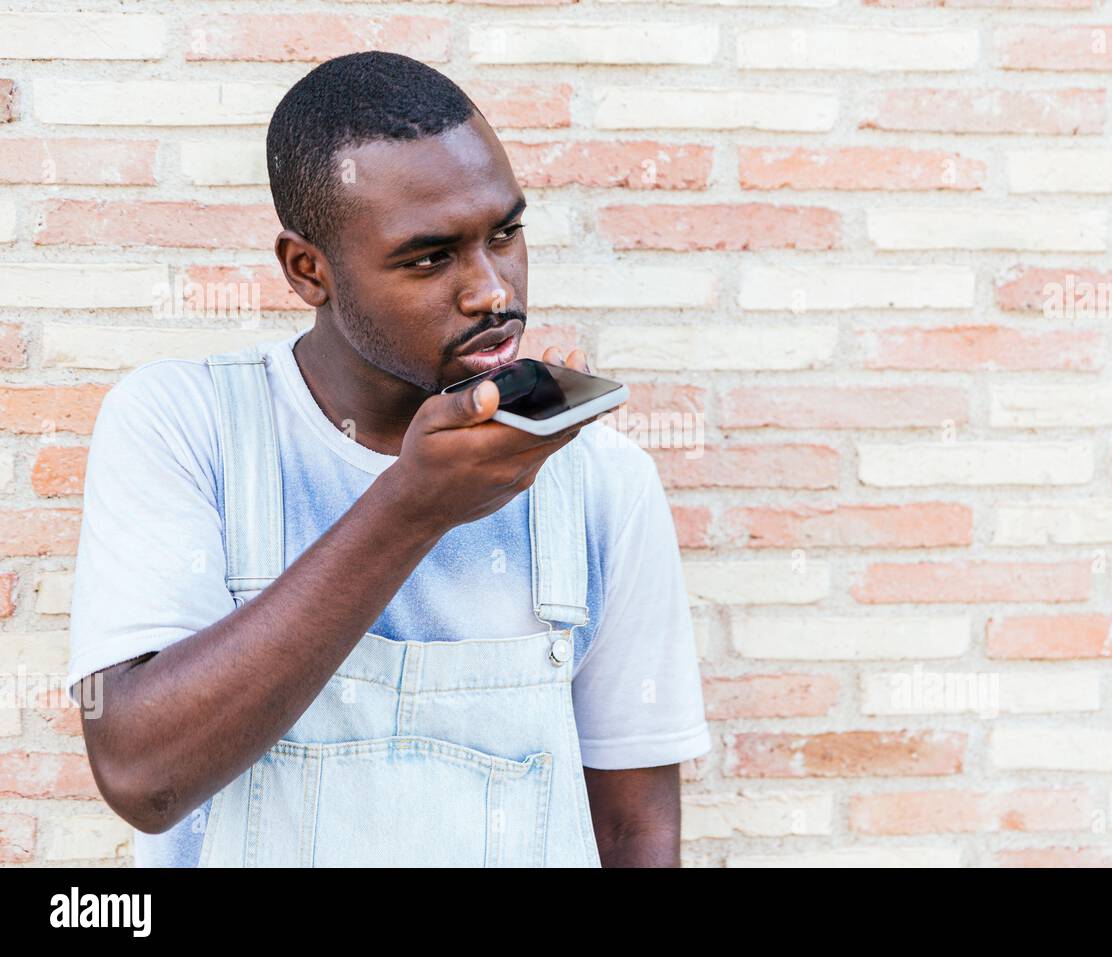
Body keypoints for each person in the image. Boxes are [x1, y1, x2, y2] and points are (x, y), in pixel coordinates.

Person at [65, 51, 711, 868]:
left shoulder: (598, 480)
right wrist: (413, 505)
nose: (492, 292)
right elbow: (140, 773)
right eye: (430, 257)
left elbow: (633, 829)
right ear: (309, 270)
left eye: (505, 234)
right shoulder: (187, 428)